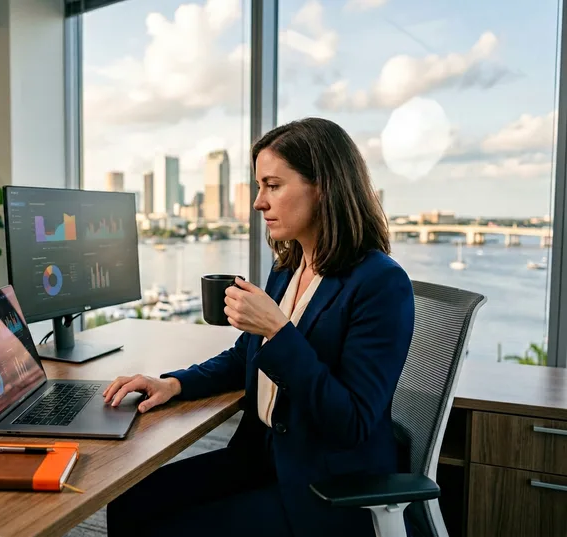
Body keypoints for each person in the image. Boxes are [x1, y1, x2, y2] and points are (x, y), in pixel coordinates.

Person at [103, 118, 415, 537]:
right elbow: (243, 357)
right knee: (127, 503)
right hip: (262, 457)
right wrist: (174, 385)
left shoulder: (380, 283)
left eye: (272, 185)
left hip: (323, 485)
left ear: (322, 186)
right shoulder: (288, 267)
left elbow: (352, 421)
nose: (258, 203)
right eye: (259, 186)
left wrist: (280, 331)